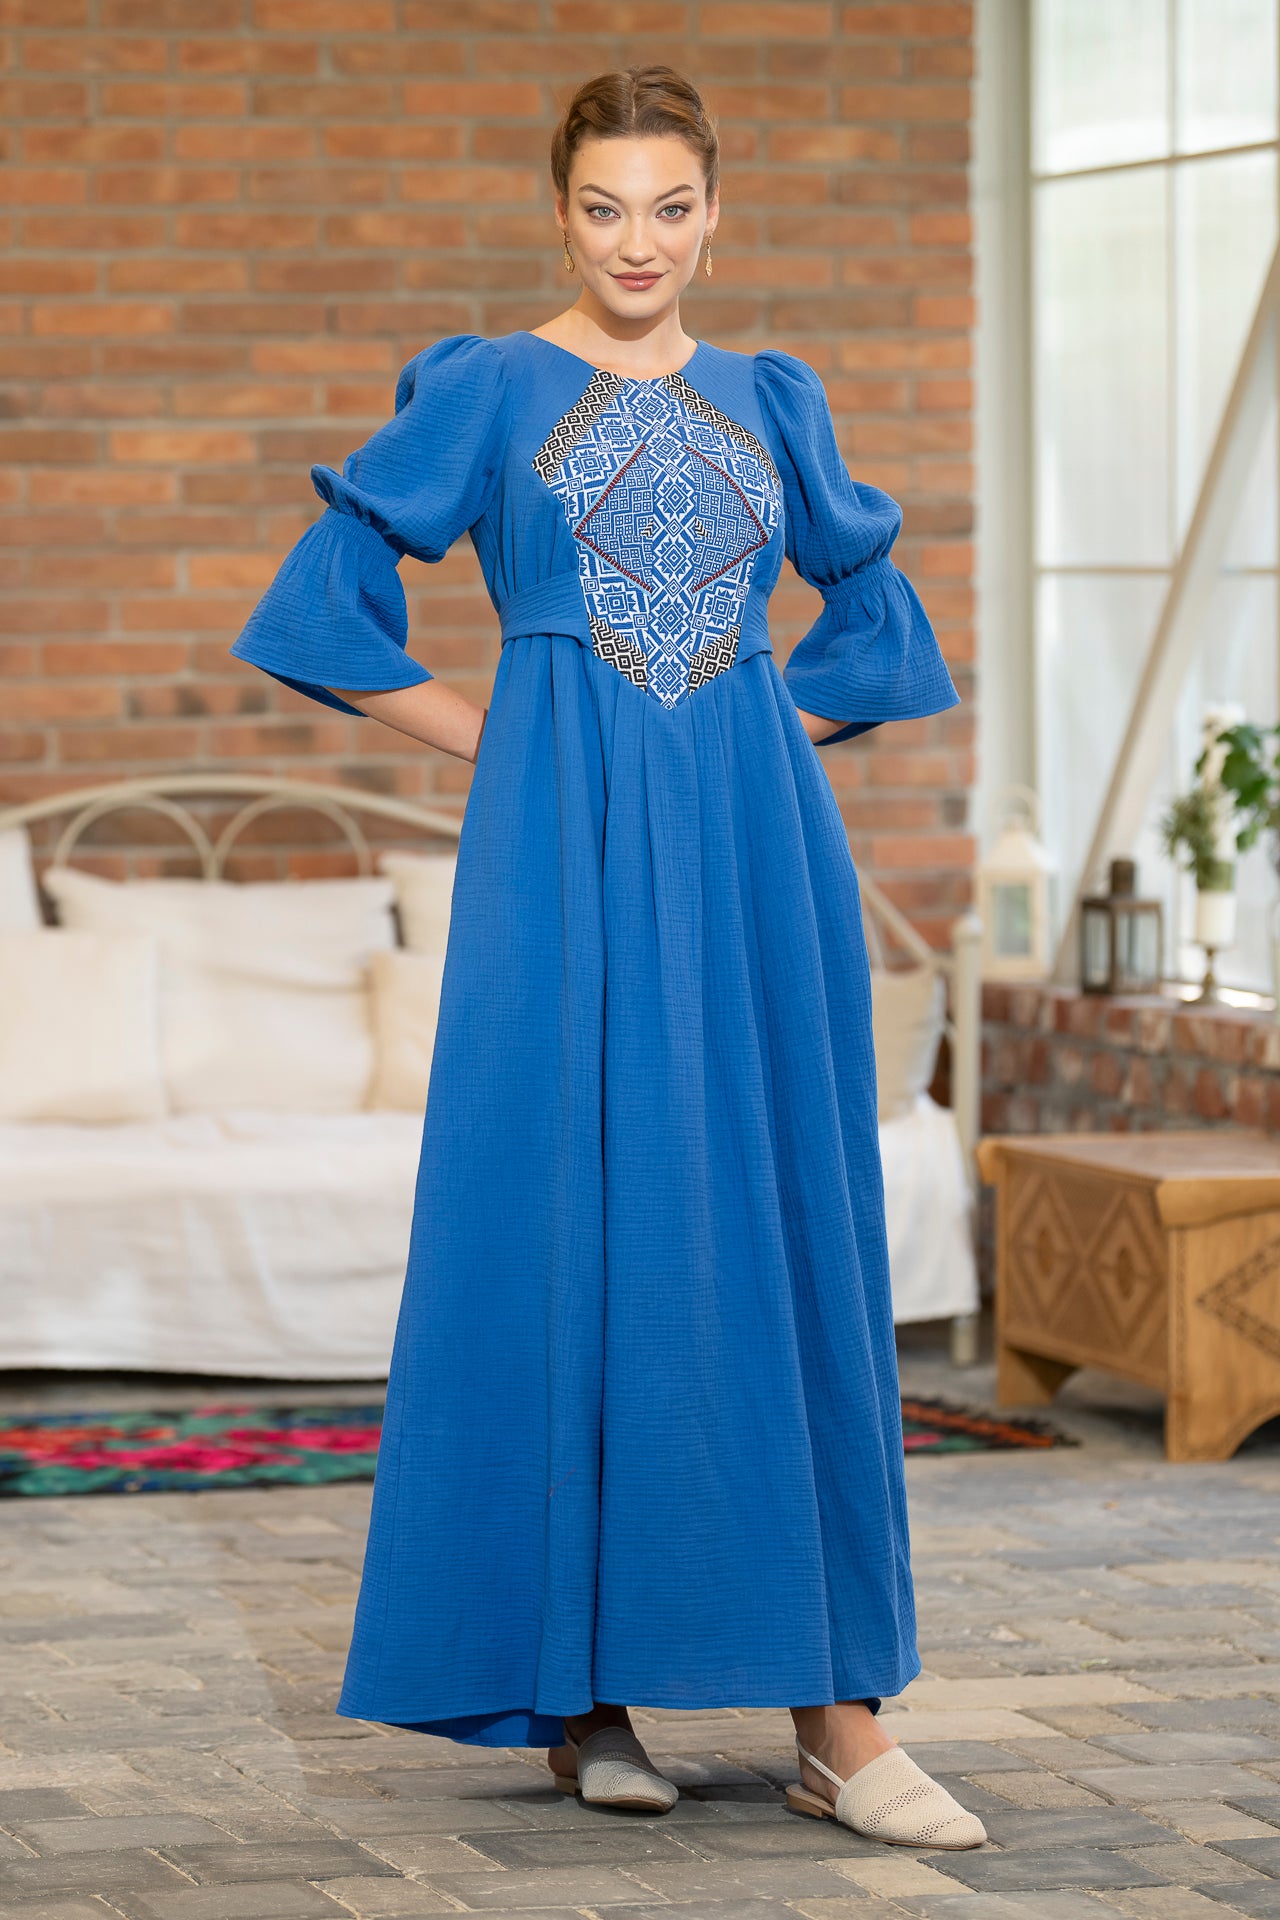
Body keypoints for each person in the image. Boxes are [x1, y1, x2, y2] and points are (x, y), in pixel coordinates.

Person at [230, 64, 985, 1851]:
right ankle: (583, 1698)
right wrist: (502, 734)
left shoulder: (771, 397)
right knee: (564, 1216)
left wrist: (751, 737)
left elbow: (873, 628)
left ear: (715, 216)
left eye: (670, 207)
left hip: (754, 855)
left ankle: (841, 1721)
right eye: (602, 207)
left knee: (778, 1218)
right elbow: (320, 607)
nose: (637, 243)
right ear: (558, 212)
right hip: (556, 849)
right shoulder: (487, 387)